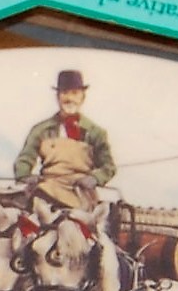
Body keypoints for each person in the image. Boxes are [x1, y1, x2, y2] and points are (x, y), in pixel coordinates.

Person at [14, 68, 116, 217]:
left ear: (83, 97)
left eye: (75, 93)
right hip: (47, 190)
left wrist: (94, 178)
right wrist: (25, 175)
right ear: (58, 97)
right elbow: (25, 158)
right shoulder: (41, 130)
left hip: (81, 194)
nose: (69, 98)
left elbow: (108, 166)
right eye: (65, 93)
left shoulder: (96, 132)